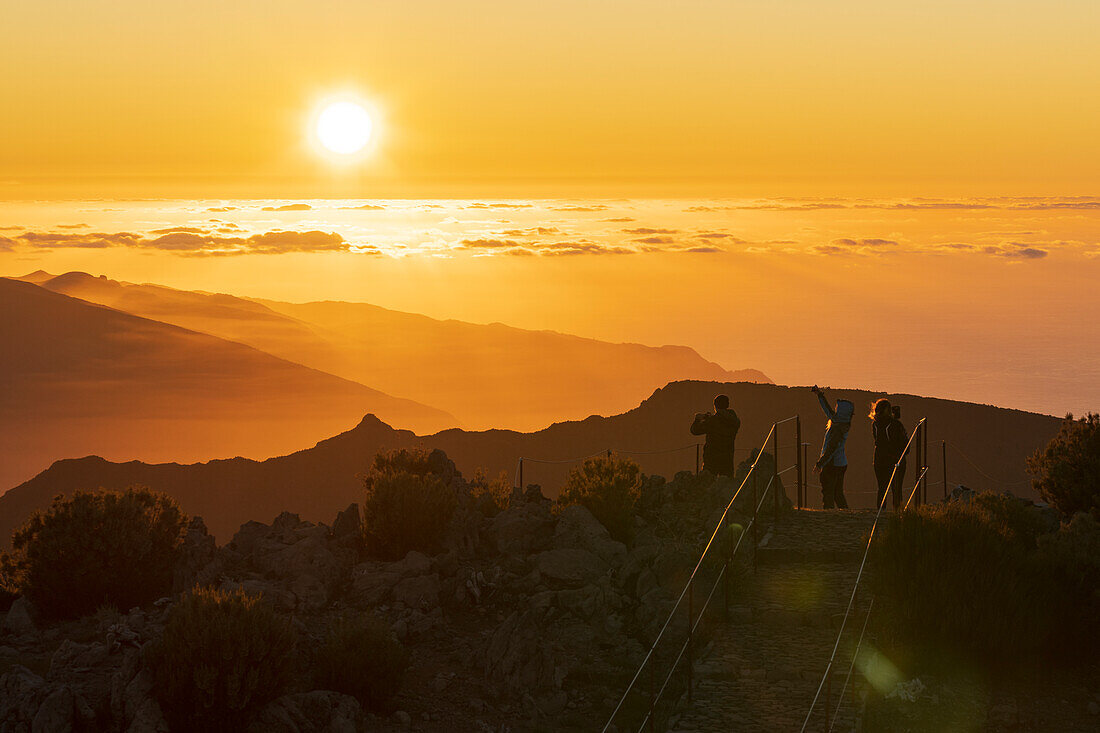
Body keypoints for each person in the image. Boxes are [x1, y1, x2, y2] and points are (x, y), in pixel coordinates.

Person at [812, 386, 853, 509]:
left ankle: (828, 513)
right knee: (838, 493)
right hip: (841, 463)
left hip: (832, 465)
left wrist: (820, 464)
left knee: (828, 492)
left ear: (841, 412)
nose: (835, 410)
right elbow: (828, 410)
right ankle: (845, 514)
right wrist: (820, 395)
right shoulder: (842, 423)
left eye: (837, 409)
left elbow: (831, 449)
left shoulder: (836, 429)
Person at [870, 398, 908, 509]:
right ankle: (898, 513)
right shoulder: (895, 424)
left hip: (879, 459)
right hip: (895, 459)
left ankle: (880, 511)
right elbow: (905, 444)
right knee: (896, 489)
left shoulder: (875, 424)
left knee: (882, 488)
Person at [690, 394, 741, 476]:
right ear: (727, 405)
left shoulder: (712, 421)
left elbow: (695, 431)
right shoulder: (734, 421)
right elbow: (723, 420)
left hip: (711, 458)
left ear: (715, 406)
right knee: (725, 483)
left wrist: (698, 419)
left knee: (708, 482)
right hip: (727, 457)